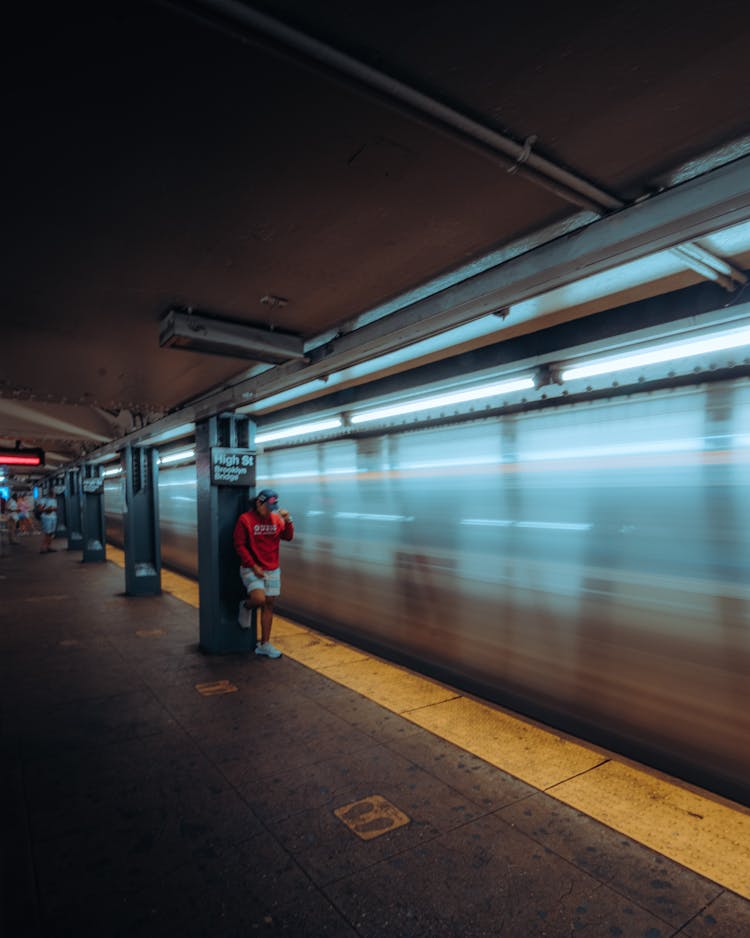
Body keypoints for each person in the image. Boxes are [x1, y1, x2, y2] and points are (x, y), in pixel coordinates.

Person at [233, 488, 294, 658]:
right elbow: (239, 545)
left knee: (269, 604)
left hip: (272, 568)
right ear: (258, 503)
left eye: (273, 507)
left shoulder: (276, 519)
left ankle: (264, 644)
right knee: (258, 599)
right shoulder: (245, 520)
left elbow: (288, 537)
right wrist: (253, 566)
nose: (270, 511)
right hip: (251, 568)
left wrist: (288, 520)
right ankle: (245, 607)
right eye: (267, 506)